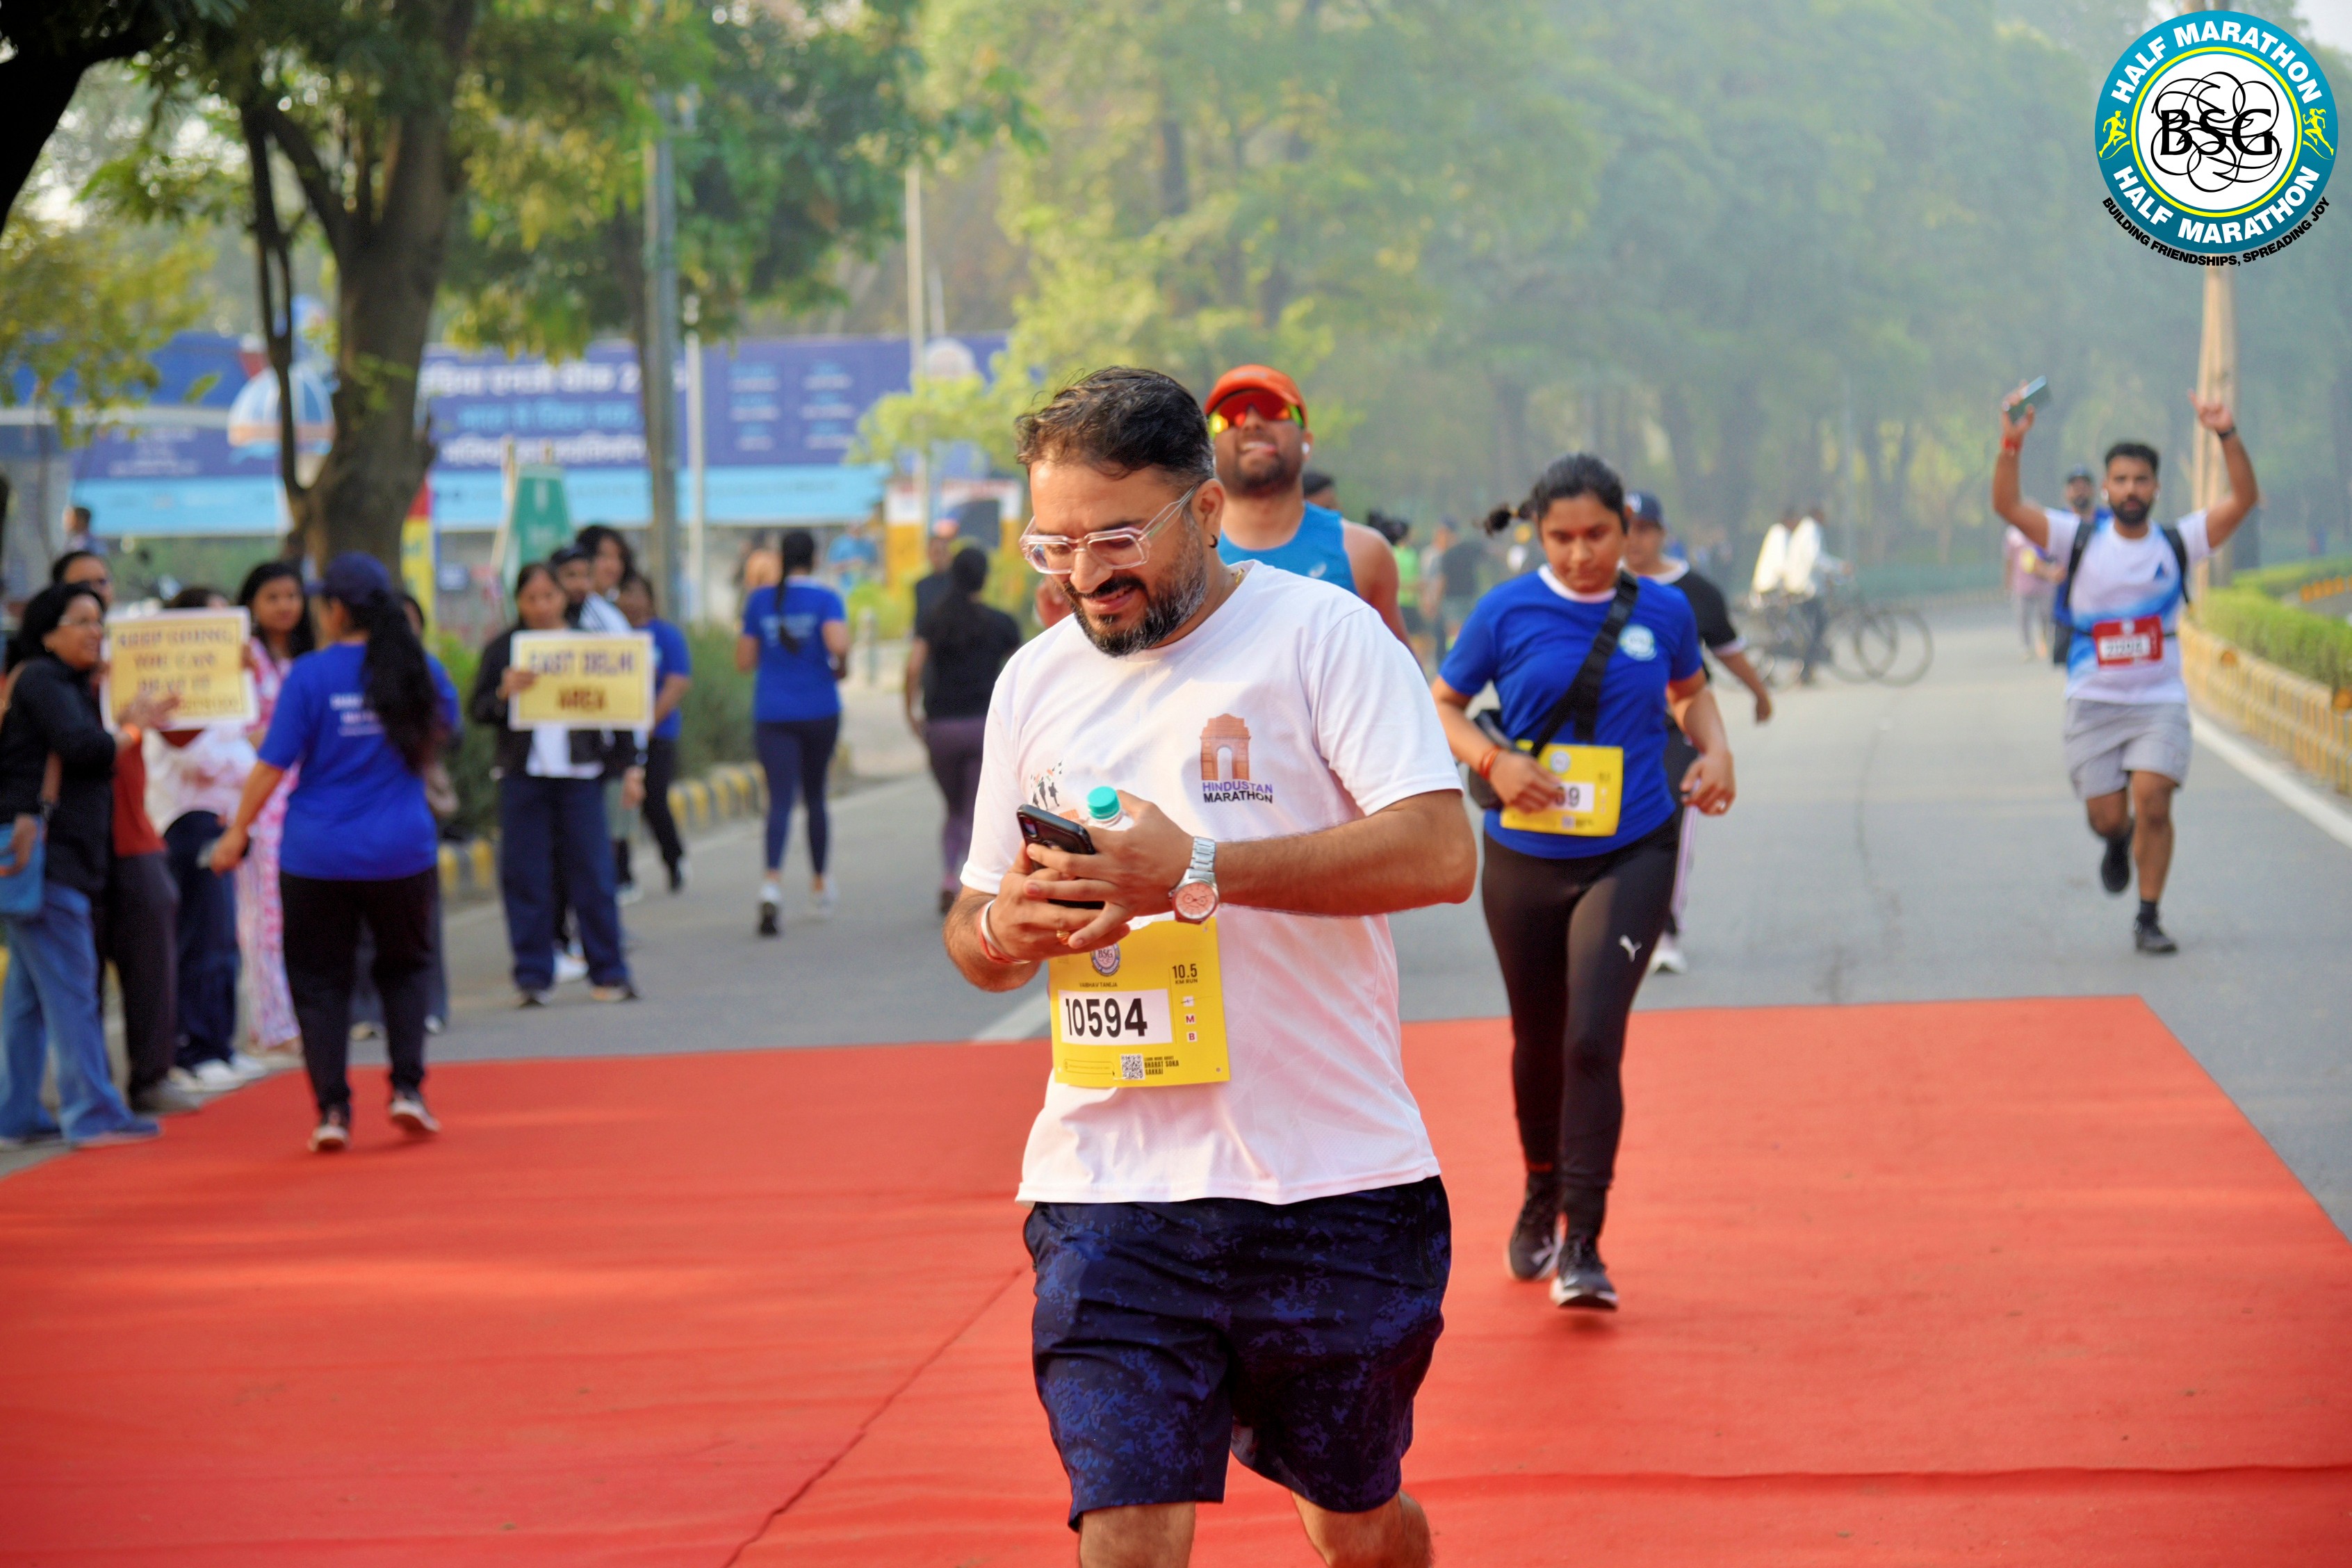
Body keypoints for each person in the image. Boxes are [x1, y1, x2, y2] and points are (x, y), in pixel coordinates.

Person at [946, 367, 1474, 1568]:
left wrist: (1194, 867)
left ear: (1204, 508)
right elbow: (974, 927)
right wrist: (1005, 931)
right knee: (1127, 1529)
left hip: (1330, 1180)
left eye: (1116, 539)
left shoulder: (1321, 637)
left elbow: (1442, 854)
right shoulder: (1034, 680)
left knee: (1354, 1524)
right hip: (1109, 1187)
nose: (1084, 577)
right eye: (1054, 546)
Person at [1431, 454, 1736, 1311]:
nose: (1579, 554)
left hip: (1632, 848)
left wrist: (1717, 750)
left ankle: (1584, 1241)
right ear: (1538, 534)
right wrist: (1494, 761)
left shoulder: (1664, 610)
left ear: (1627, 528)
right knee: (1538, 1039)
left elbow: (1691, 693)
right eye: (1561, 538)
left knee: (1593, 1039)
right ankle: (1541, 1189)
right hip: (1525, 856)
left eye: (1598, 534)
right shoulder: (1505, 611)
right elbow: (1443, 703)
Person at [210, 553, 462, 1152]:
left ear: (337, 611)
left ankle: (332, 1111)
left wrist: (237, 830)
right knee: (405, 970)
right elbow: (444, 733)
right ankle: (407, 1090)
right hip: (402, 852)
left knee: (320, 982)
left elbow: (272, 764)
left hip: (317, 857)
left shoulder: (311, 676)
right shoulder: (420, 668)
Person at [1991, 388, 2256, 955]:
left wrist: (2226, 433)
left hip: (2159, 699)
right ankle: (2118, 840)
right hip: (2094, 699)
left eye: (2141, 480)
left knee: (2155, 799)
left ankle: (2148, 917)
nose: (2131, 489)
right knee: (2108, 817)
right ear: (2106, 489)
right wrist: (2011, 445)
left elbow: (2244, 499)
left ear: (2156, 488)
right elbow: (2008, 506)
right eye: (2121, 480)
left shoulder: (2179, 541)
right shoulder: (2076, 537)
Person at [0, 583, 179, 1148]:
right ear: (47, 633)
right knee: (74, 990)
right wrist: (131, 728)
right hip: (51, 861)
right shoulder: (42, 679)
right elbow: (85, 748)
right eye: (80, 620)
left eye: (99, 621)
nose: (95, 631)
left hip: (48, 858)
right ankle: (92, 1112)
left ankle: (16, 1114)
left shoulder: (61, 684)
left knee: (28, 1000)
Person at [52, 551, 205, 1113]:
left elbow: (182, 732)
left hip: (135, 837)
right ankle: (87, 1092)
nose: (97, 601)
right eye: (82, 594)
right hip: (73, 842)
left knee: (152, 964)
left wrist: (223, 676)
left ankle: (151, 1078)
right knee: (79, 974)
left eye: (103, 587)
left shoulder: (131, 662)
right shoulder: (42, 679)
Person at [470, 562, 642, 1005]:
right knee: (525, 875)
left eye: (549, 596)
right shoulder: (505, 648)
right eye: (531, 598)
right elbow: (479, 708)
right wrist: (504, 693)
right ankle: (533, 975)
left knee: (594, 873)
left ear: (563, 598)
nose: (542, 606)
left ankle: (609, 971)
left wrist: (630, 767)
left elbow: (619, 706)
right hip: (522, 777)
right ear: (519, 602)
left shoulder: (589, 646)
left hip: (581, 777)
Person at [1621, 491, 1771, 977]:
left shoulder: (1694, 591)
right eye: (1625, 528)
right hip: (1614, 729)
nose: (1634, 540)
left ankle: (1663, 931)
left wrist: (1759, 693)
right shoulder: (1598, 590)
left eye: (1645, 529)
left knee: (1669, 822)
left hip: (1674, 729)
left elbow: (1728, 649)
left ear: (1662, 534)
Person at [1203, 364, 1410, 644]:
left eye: (1273, 410)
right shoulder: (1186, 556)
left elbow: (1396, 669)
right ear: (1211, 450)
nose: (1251, 423)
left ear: (1307, 443)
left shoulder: (1362, 553)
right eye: (1230, 416)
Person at [150, 587, 258, 1084]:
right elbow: (199, 757)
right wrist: (240, 758)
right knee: (200, 936)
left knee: (223, 937)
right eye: (212, 623)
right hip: (188, 821)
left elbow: (245, 751)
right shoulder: (171, 689)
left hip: (225, 821)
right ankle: (193, 1050)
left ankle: (220, 1044)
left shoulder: (227, 687)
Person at [736, 529, 847, 938]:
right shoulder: (826, 599)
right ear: (815, 559)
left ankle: (771, 884)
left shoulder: (759, 601)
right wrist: (839, 665)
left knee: (779, 801)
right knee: (815, 798)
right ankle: (819, 885)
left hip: (773, 713)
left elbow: (744, 661)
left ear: (781, 559)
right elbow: (839, 645)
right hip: (820, 710)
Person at [904, 545, 1022, 915]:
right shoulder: (1001, 623)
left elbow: (913, 668)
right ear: (984, 579)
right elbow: (1024, 673)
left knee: (955, 807)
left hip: (941, 728)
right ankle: (970, 884)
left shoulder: (934, 620)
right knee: (974, 808)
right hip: (983, 729)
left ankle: (950, 876)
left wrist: (910, 713)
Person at [234, 561, 311, 1059]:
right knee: (264, 916)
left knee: (302, 915)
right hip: (262, 800)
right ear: (253, 605)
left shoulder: (307, 660)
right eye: (273, 597)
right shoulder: (245, 659)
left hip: (307, 800)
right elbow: (237, 731)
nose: (285, 606)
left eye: (292, 595)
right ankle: (272, 1023)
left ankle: (302, 1014)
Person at [616, 571, 692, 893]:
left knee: (654, 800)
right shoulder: (612, 633)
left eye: (637, 593)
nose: (630, 601)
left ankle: (674, 859)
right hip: (619, 734)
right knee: (618, 802)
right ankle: (621, 875)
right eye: (624, 593)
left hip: (659, 733)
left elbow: (677, 682)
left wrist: (647, 723)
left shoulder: (666, 636)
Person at [1749, 509, 1838, 682]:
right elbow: (1782, 566)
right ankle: (1790, 668)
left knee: (1784, 632)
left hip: (1775, 590)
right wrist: (1793, 584)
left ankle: (1778, 670)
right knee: (1786, 633)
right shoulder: (1781, 535)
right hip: (1771, 591)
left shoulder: (1782, 534)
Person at [1426, 518, 1486, 657]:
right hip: (1470, 597)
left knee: (1453, 634)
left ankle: (1456, 657)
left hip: (1452, 601)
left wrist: (1435, 603)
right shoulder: (1469, 549)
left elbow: (1443, 581)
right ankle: (1468, 656)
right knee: (1467, 631)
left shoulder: (1447, 555)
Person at [569, 527, 637, 634]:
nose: (614, 566)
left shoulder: (607, 606)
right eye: (604, 556)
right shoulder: (583, 609)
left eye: (619, 557)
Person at [910, 525, 959, 628]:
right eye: (936, 553)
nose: (941, 557)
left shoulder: (960, 583)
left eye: (944, 552)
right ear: (929, 555)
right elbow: (920, 619)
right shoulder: (922, 586)